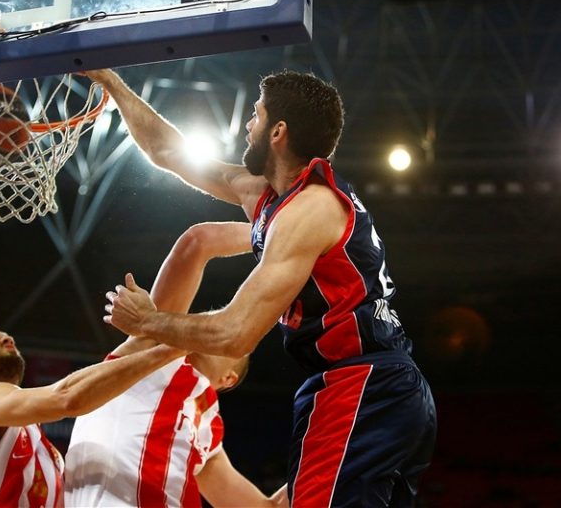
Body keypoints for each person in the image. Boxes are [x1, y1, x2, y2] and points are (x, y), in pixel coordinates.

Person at [88, 67, 437, 507]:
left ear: (278, 131)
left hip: (361, 381)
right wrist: (112, 84)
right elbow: (167, 150)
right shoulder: (265, 195)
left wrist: (149, 320)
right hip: (378, 386)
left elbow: (236, 333)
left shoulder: (309, 209)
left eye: (256, 115)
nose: (248, 125)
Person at [65, 221, 287, 507]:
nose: (212, 326)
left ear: (229, 379)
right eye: (209, 320)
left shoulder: (207, 430)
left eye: (224, 326)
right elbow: (198, 241)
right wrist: (286, 231)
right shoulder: (151, 346)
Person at [0, 326, 186, 507]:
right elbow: (68, 397)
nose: (7, 337)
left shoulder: (44, 452)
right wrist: (178, 346)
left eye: (5, 335)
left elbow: (113, 366)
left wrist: (153, 322)